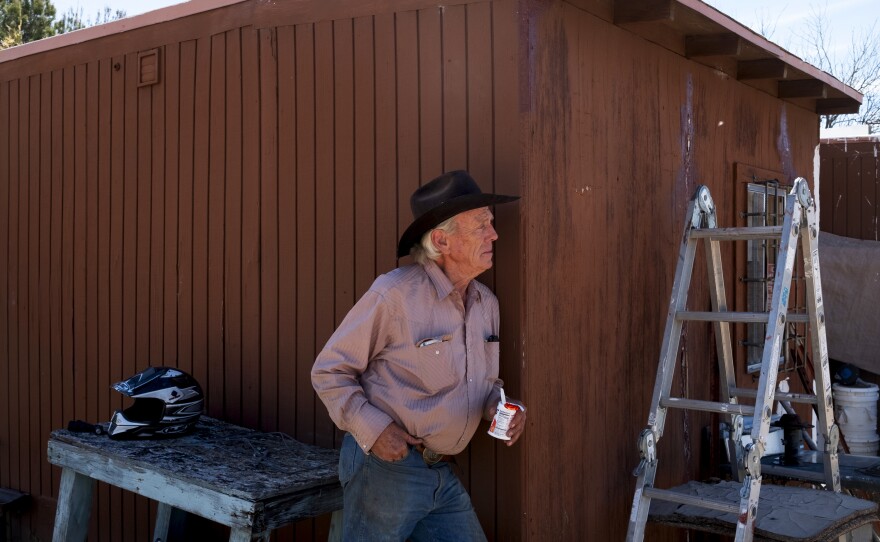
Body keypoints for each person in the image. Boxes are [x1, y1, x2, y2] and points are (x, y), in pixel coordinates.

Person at [312, 170, 526, 541]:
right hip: (385, 470)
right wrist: (374, 431)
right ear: (442, 240)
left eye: (491, 223)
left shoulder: (486, 304)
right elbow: (329, 371)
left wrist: (500, 407)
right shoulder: (394, 294)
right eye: (481, 226)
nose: (494, 234)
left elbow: (486, 382)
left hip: (441, 473)